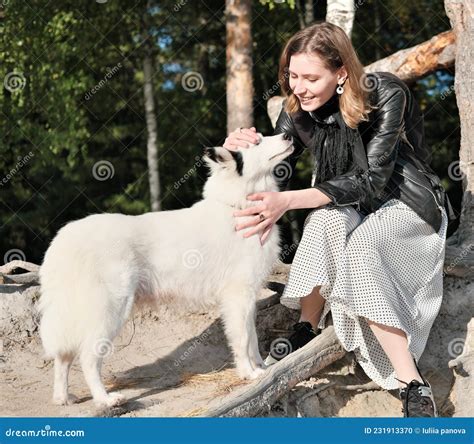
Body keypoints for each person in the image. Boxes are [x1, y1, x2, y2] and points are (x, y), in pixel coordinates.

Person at [223, 22, 455, 418]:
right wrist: (240, 150)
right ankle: (307, 328)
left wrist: (290, 200)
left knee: (362, 246)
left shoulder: (385, 92)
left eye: (311, 77)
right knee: (323, 222)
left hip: (407, 203)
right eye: (292, 76)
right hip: (355, 208)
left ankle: (412, 383)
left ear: (342, 73)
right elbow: (275, 162)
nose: (298, 87)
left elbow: (372, 179)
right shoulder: (297, 109)